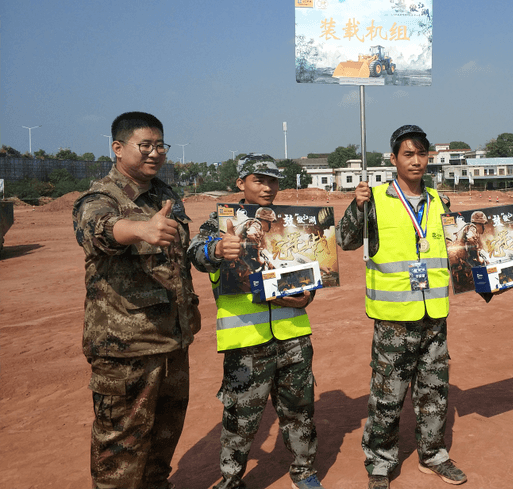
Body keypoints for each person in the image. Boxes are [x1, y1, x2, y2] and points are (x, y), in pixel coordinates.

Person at [73, 111, 201, 489]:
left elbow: (182, 253)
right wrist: (139, 228)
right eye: (145, 145)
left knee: (161, 447)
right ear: (118, 148)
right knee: (120, 456)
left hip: (172, 343)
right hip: (126, 351)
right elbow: (97, 228)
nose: (155, 153)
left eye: (160, 145)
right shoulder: (100, 196)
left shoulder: (164, 194)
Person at [336, 125, 466, 489]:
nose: (416, 160)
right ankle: (380, 461)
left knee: (434, 392)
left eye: (422, 153)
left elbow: (458, 253)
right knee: (387, 396)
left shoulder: (441, 202)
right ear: (393, 159)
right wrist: (356, 206)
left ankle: (433, 454)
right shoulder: (375, 199)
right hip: (393, 321)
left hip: (434, 317)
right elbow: (344, 241)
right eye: (408, 154)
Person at [188, 154, 325, 489]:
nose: (267, 187)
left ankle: (303, 470)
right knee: (240, 416)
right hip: (246, 338)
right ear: (241, 183)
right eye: (259, 180)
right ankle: (232, 478)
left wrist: (308, 295)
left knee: (299, 408)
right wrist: (218, 249)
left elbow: (310, 269)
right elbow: (196, 252)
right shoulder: (221, 223)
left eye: (273, 180)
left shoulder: (292, 223)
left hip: (292, 334)